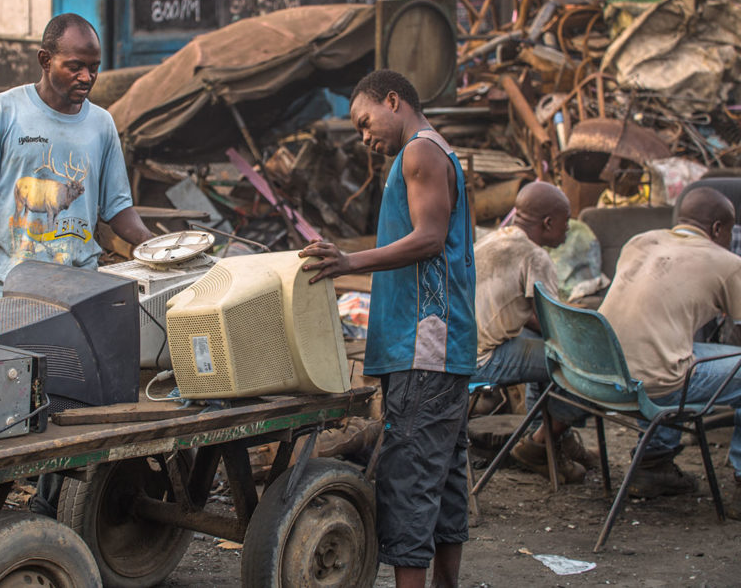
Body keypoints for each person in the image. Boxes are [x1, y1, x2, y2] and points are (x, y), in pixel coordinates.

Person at [0, 13, 152, 532]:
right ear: (44, 61)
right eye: (75, 66)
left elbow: (117, 210)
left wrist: (162, 246)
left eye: (94, 69)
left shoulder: (101, 125)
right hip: (6, 297)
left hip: (79, 301)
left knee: (70, 423)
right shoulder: (2, 113)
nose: (86, 78)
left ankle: (45, 528)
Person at [300, 69, 475, 588]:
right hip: (437, 347)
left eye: (365, 121)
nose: (364, 135)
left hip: (426, 347)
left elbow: (429, 238)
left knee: (410, 480)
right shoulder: (426, 152)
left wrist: (349, 259)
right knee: (442, 477)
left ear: (393, 101)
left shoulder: (421, 153)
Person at [598, 187, 741, 515]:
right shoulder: (728, 263)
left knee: (674, 351)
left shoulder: (640, 240)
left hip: (603, 373)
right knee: (676, 362)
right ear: (718, 229)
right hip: (655, 384)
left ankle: (652, 464)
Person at [471, 182, 598, 483]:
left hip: (460, 350)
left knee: (545, 346)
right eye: (566, 222)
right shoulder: (535, 256)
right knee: (580, 361)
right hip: (483, 359)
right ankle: (542, 441)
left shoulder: (490, 241)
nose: (568, 230)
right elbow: (554, 323)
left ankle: (550, 439)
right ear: (548, 223)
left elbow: (526, 313)